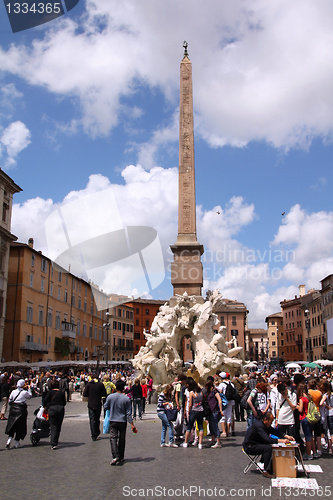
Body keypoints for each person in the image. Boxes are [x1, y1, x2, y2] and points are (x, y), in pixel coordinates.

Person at [243, 411, 294, 478]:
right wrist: (281, 441)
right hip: (250, 447)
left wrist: (286, 436)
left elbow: (274, 431)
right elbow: (267, 439)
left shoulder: (264, 425)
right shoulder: (259, 426)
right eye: (271, 421)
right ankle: (266, 470)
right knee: (268, 448)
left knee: (268, 446)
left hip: (256, 444)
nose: (272, 422)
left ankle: (269, 464)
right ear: (265, 420)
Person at [104, 379, 136, 465]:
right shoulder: (126, 399)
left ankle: (115, 456)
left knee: (113, 438)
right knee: (122, 439)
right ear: (123, 388)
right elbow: (129, 413)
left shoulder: (110, 397)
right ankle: (121, 457)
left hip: (113, 420)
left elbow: (105, 406)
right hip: (122, 421)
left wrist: (112, 407)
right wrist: (132, 424)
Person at [5, 379, 32, 449]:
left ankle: (9, 440)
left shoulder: (13, 391)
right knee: (20, 426)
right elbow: (30, 396)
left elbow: (10, 400)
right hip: (21, 409)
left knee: (12, 425)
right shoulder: (24, 392)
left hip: (13, 409)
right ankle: (17, 443)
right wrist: (29, 388)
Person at [43, 379, 66, 449]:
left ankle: (53, 443)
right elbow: (64, 402)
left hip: (52, 409)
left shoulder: (50, 392)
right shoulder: (62, 392)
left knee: (53, 426)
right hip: (60, 409)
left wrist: (46, 406)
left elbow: (45, 401)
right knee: (58, 426)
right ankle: (56, 441)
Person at [83, 372, 107, 441]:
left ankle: (93, 434)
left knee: (92, 419)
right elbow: (104, 394)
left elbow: (84, 394)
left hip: (90, 404)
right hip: (98, 404)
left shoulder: (88, 385)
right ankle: (97, 431)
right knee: (97, 419)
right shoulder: (100, 384)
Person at [182, 378, 205, 449]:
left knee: (189, 426)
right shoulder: (201, 392)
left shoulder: (191, 393)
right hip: (200, 410)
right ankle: (200, 444)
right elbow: (202, 401)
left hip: (193, 410)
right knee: (200, 427)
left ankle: (185, 442)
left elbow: (190, 404)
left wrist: (188, 411)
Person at [204, 378, 224, 447]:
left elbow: (219, 400)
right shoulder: (208, 391)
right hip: (210, 411)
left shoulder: (214, 391)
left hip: (215, 411)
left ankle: (218, 441)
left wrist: (221, 410)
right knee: (211, 426)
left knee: (215, 426)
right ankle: (213, 440)